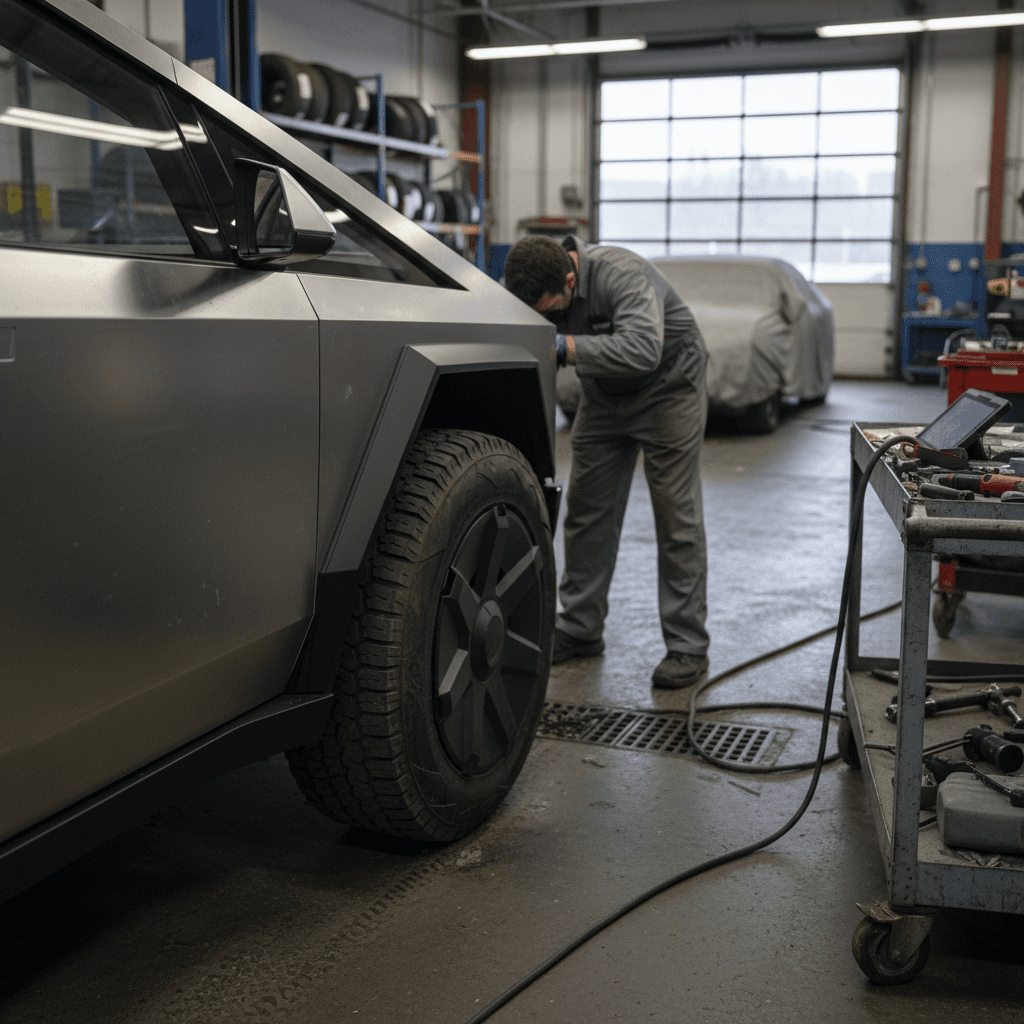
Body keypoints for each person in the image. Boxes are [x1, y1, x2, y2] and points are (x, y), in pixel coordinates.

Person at [503, 234, 710, 689]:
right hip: (603, 396)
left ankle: (687, 645)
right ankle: (579, 628)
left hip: (669, 389)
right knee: (586, 512)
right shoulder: (537, 285)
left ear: (571, 279)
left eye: (552, 310)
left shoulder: (622, 273)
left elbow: (641, 349)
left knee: (677, 518)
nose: (548, 318)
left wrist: (563, 346)